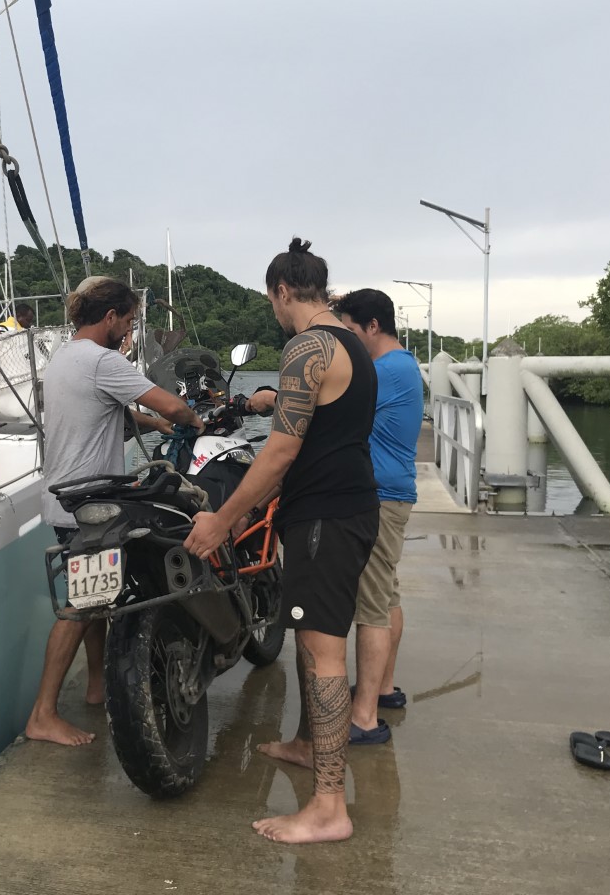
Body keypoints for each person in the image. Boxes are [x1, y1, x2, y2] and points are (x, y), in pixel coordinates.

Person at [184, 238, 379, 845]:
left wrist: (224, 519)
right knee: (307, 635)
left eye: (271, 300)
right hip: (341, 508)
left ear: (282, 291)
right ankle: (304, 742)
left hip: (326, 518)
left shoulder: (307, 348)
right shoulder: (352, 342)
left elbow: (282, 448)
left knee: (323, 652)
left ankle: (328, 807)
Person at [26, 277, 203, 746]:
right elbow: (168, 402)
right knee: (81, 608)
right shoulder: (103, 360)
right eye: (127, 323)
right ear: (109, 318)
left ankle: (97, 688)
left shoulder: (66, 357)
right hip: (89, 505)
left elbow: (113, 410)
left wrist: (153, 421)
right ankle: (42, 714)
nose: (127, 332)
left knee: (95, 599)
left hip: (65, 498)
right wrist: (190, 417)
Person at [331, 288, 422, 733]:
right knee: (387, 595)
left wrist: (275, 400)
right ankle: (383, 688)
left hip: (381, 496)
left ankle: (363, 717)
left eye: (350, 329)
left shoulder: (385, 370)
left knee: (370, 605)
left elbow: (327, 400)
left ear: (371, 326)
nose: (349, 339)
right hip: (393, 492)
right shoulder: (402, 366)